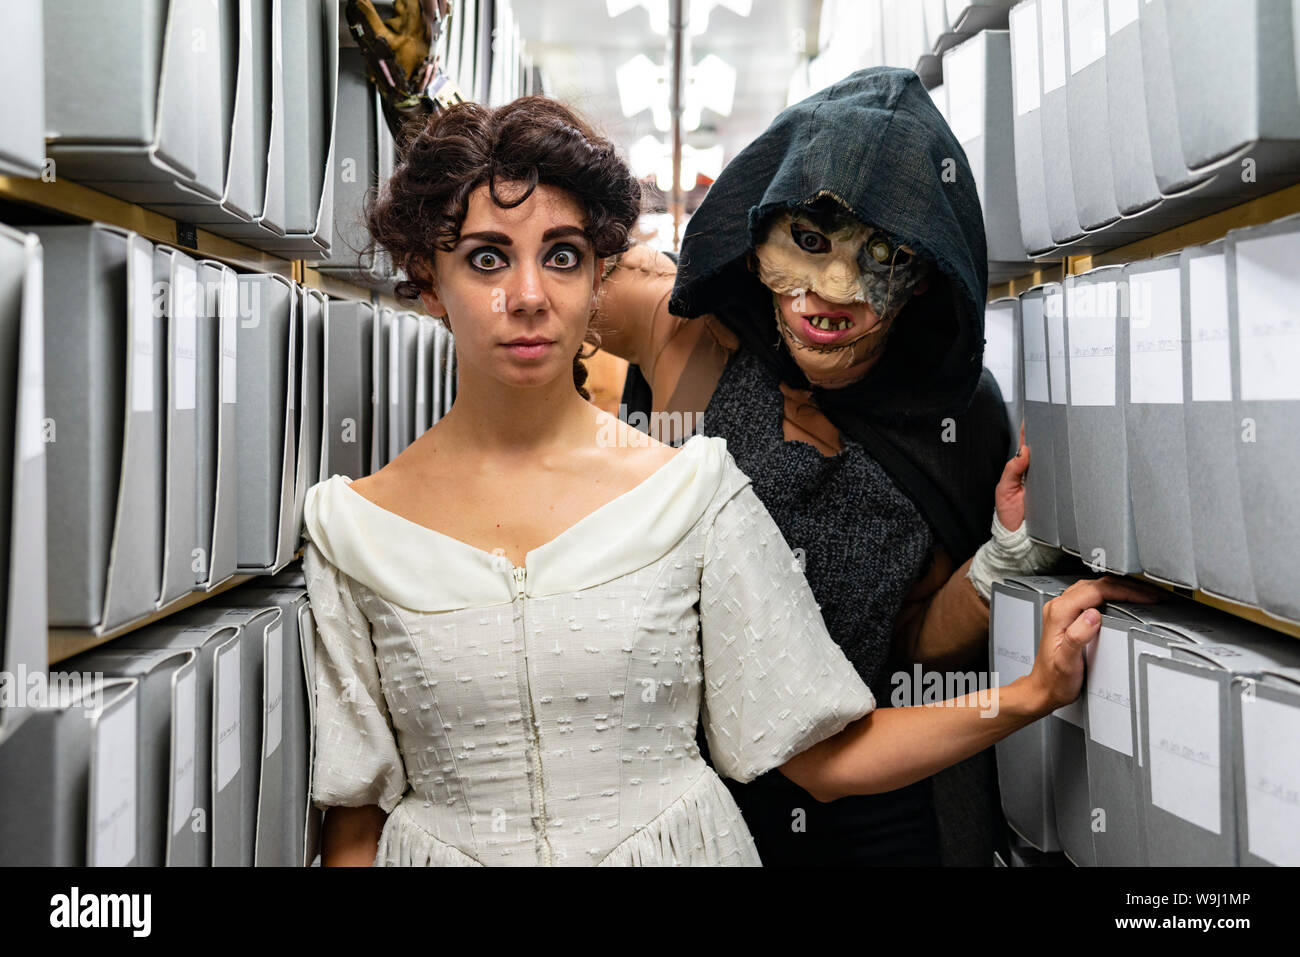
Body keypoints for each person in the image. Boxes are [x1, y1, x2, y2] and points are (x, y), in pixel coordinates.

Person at [304, 94, 1153, 867]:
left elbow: (881, 676)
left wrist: (1019, 635)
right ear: (427, 281)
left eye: (561, 257)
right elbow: (353, 821)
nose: (527, 294)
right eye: (487, 261)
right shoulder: (357, 527)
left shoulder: (730, 478)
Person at [592, 66, 1060, 865]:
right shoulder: (694, 333)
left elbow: (915, 647)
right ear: (760, 226)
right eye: (809, 243)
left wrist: (999, 564)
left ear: (925, 278)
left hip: (876, 796)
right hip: (683, 794)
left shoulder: (951, 411)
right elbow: (542, 291)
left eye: (881, 257)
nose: (834, 290)